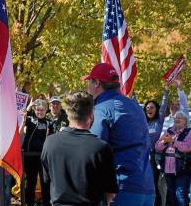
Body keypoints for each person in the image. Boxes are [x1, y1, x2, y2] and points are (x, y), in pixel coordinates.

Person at [82, 63, 155, 205]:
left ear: (96, 83)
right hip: (147, 187)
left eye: (89, 82)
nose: (87, 87)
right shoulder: (136, 107)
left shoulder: (101, 109)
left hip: (120, 190)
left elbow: (94, 151)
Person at [41, 91, 118, 205]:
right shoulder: (101, 147)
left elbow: (47, 180)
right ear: (92, 114)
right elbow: (110, 192)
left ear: (67, 113)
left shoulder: (50, 142)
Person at [20, 99, 53, 206]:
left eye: (42, 110)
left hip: (43, 158)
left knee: (45, 183)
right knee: (31, 183)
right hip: (30, 157)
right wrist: (24, 119)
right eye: (37, 110)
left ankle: (46, 203)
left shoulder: (49, 123)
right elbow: (20, 132)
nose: (39, 112)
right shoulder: (29, 120)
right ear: (34, 110)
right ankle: (29, 203)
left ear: (46, 110)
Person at [155, 111, 191, 206]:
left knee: (180, 195)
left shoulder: (189, 132)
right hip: (168, 169)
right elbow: (157, 148)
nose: (177, 119)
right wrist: (165, 142)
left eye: (180, 118)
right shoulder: (168, 131)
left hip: (183, 169)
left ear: (185, 121)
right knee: (171, 195)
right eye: (175, 118)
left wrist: (173, 141)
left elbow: (188, 147)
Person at [143, 83, 170, 206]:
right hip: (142, 156)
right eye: (147, 107)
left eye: (152, 107)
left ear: (156, 109)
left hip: (154, 157)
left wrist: (166, 91)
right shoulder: (142, 122)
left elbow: (164, 106)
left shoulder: (159, 121)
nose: (149, 109)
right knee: (142, 183)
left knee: (153, 184)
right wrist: (131, 91)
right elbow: (134, 103)